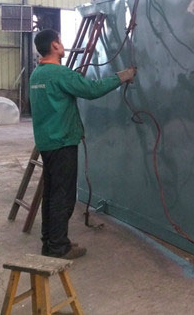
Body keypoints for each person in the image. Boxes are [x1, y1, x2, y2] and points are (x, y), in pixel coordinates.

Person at [30, 29, 136, 259]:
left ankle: (50, 243)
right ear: (54, 45)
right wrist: (121, 76)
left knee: (51, 195)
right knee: (63, 197)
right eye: (60, 41)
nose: (62, 44)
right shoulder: (60, 73)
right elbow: (92, 90)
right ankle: (59, 247)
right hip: (62, 142)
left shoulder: (37, 74)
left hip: (47, 142)